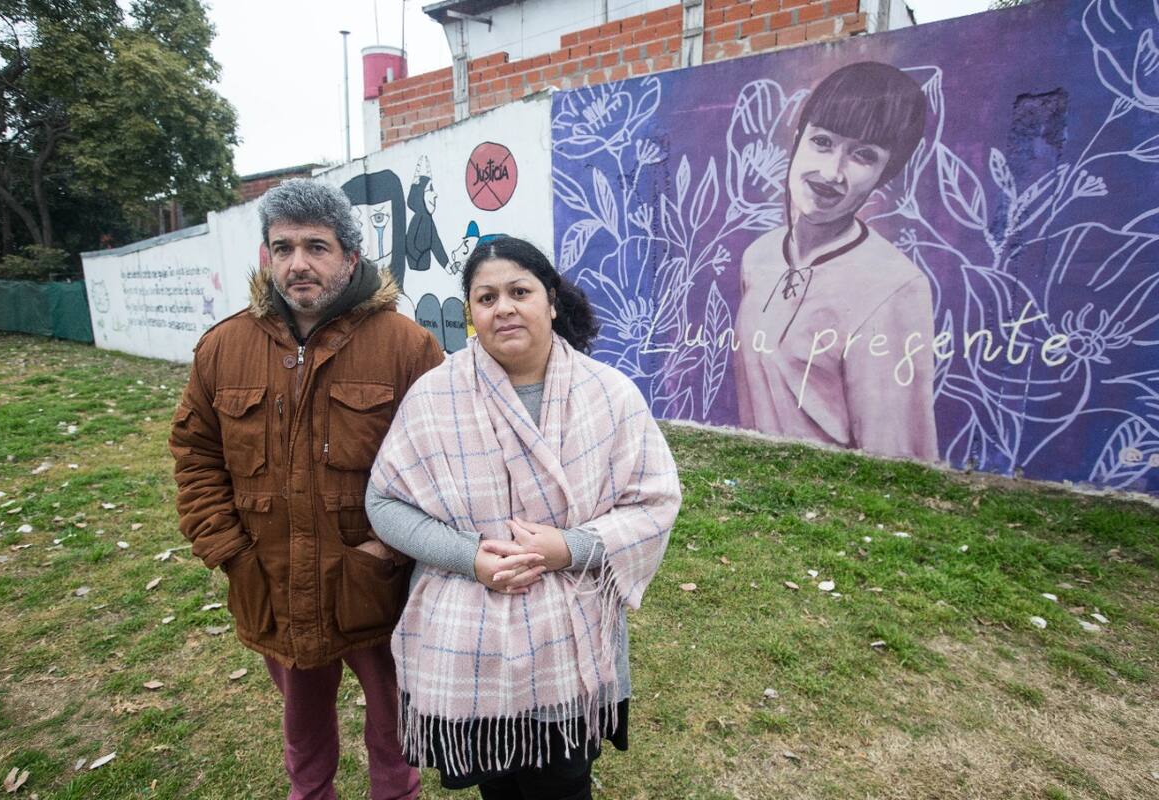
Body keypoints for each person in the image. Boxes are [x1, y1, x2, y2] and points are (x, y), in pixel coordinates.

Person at [365, 236, 682, 798]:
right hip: (472, 644)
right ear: (472, 314)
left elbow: (654, 501)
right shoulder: (435, 396)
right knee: (501, 786)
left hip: (572, 638)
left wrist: (570, 547)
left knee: (567, 782)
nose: (503, 307)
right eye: (486, 298)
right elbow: (385, 503)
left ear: (551, 301)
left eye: (519, 291)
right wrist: (470, 558)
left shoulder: (610, 395)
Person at [169, 179, 443, 800]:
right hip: (272, 577)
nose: (298, 263)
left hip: (375, 586)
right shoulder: (223, 348)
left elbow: (445, 463)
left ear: (349, 257)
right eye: (283, 246)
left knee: (395, 724)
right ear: (266, 257)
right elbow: (196, 454)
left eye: (316, 247)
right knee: (302, 728)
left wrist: (391, 552)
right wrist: (231, 552)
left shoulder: (408, 347)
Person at [733, 61, 939, 461]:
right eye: (822, 142)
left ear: (885, 173)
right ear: (797, 138)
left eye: (863, 155)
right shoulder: (758, 257)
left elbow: (896, 465)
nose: (832, 173)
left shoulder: (894, 287)